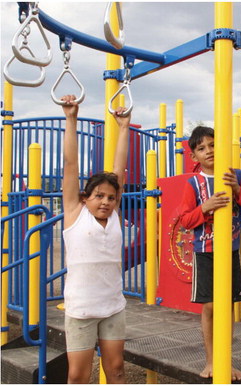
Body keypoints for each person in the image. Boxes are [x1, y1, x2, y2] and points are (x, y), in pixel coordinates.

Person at [180, 126, 241, 380]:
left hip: (230, 251)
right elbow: (185, 221)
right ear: (194, 157)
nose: (209, 151)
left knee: (226, 307)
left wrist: (237, 190)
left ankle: (226, 360)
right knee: (211, 306)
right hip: (205, 252)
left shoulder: (235, 175)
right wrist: (205, 207)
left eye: (213, 145)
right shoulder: (193, 183)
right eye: (202, 148)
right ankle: (211, 361)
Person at [61, 94, 130, 383]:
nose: (105, 202)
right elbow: (70, 166)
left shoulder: (113, 216)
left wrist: (123, 127)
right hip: (81, 308)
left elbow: (119, 171)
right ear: (84, 198)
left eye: (111, 197)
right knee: (78, 375)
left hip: (112, 306)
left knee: (116, 370)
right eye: (98, 196)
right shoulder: (75, 213)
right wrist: (71, 118)